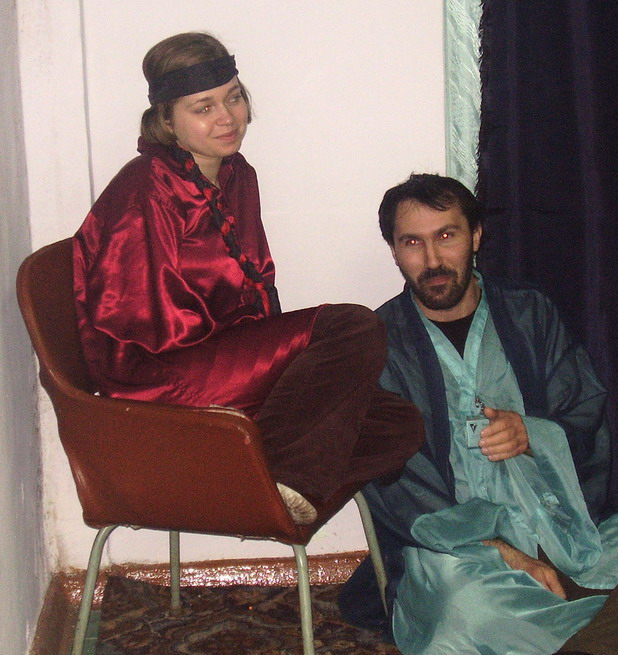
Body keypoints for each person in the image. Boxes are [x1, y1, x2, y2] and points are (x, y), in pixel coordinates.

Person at [339, 173, 618, 655]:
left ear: (476, 236)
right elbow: (392, 485)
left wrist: (532, 435)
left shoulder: (530, 313)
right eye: (412, 242)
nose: (432, 260)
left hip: (566, 533)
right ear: (394, 251)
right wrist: (506, 554)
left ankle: (602, 636)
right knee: (466, 612)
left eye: (447, 235)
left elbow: (585, 415)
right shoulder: (379, 346)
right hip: (466, 557)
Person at [72, 32, 423, 525]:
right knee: (352, 326)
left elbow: (255, 291)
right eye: (203, 107)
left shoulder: (238, 175)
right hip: (158, 373)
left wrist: (273, 364)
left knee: (399, 423)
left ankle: (252, 479)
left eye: (233, 98)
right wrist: (268, 363)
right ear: (166, 120)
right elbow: (136, 323)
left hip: (221, 360)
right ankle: (283, 479)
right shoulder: (147, 188)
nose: (227, 117)